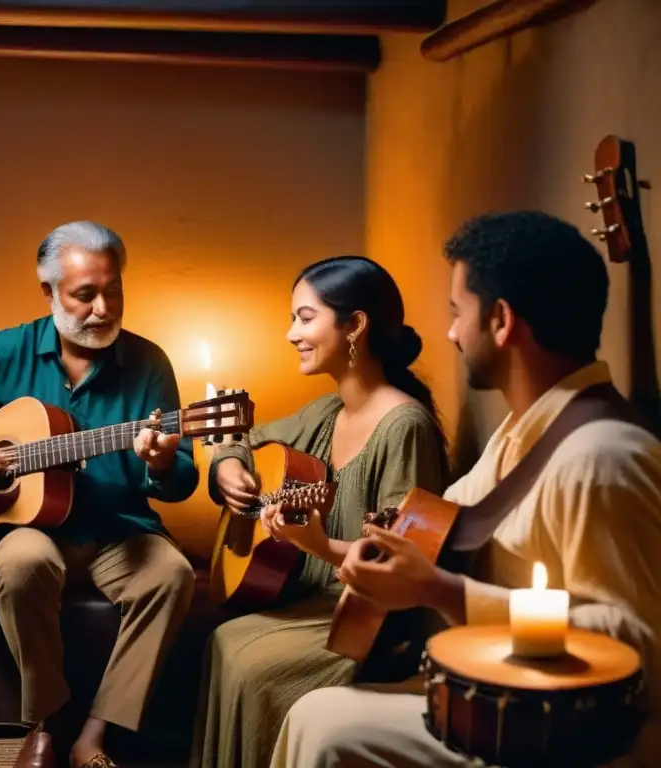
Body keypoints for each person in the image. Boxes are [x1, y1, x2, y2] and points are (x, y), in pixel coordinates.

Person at [270, 210, 661, 768]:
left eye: (459, 313)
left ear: (500, 321)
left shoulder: (603, 458)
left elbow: (642, 648)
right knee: (317, 714)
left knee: (328, 727)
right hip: (507, 690)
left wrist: (443, 593)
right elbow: (434, 523)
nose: (451, 333)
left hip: (570, 736)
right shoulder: (525, 429)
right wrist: (335, 548)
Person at [0, 220, 198, 768]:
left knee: (172, 575)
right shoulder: (7, 349)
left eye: (114, 291)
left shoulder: (150, 363)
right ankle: (48, 723)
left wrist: (158, 461)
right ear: (49, 292)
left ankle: (94, 734)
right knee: (18, 566)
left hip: (120, 530)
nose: (103, 308)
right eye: (85, 294)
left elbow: (180, 476)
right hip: (31, 531)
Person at [191, 256, 451, 768]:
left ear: (355, 325)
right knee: (225, 639)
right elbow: (245, 437)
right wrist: (226, 467)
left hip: (370, 620)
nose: (291, 333)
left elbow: (404, 564)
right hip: (310, 596)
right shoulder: (327, 412)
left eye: (305, 318)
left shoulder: (404, 426)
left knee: (252, 666)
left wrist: (318, 546)